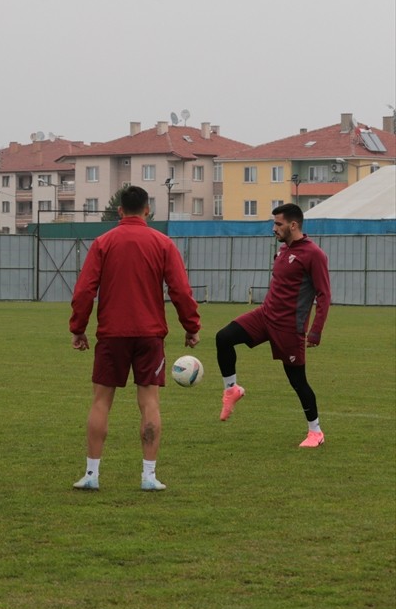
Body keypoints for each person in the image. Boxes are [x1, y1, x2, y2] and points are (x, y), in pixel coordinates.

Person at [69, 185, 200, 492]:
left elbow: (85, 289)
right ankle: (149, 476)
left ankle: (91, 474)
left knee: (101, 402)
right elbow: (180, 290)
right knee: (149, 402)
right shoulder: (163, 243)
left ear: (119, 211)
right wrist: (191, 325)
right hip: (149, 334)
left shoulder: (103, 242)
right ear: (147, 211)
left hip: (111, 334)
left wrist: (78, 327)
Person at [215, 203, 331, 448]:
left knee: (297, 381)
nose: (274, 228)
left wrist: (316, 331)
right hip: (264, 316)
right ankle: (231, 390)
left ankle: (316, 432)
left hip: (289, 328)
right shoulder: (282, 250)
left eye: (278, 224)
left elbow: (324, 295)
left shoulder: (314, 254)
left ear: (293, 225)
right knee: (223, 337)